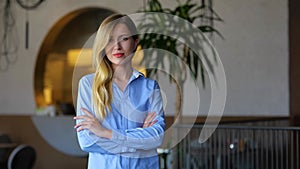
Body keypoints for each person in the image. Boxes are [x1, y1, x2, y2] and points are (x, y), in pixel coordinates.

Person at [74, 14, 166, 169]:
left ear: (135, 42)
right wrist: (139, 140)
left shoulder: (150, 88)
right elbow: (87, 141)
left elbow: (157, 138)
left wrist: (105, 132)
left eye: (124, 38)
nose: (116, 46)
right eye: (109, 39)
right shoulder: (88, 85)